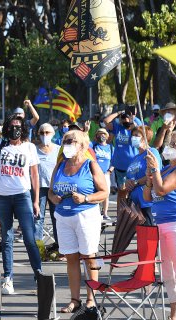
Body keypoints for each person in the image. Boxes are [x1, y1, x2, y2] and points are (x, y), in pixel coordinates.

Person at [0, 101, 41, 295]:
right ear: (6, 129)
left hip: (22, 196)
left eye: (18, 127)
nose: (15, 130)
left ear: (23, 129)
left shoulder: (29, 148)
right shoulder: (0, 144)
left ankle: (39, 275)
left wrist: (36, 200)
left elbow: (35, 175)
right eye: (12, 127)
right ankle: (8, 278)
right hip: (2, 198)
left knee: (29, 238)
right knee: (7, 239)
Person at [48, 130, 108, 313]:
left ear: (82, 145)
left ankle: (91, 298)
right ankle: (75, 299)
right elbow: (50, 191)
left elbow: (104, 192)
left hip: (85, 215)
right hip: (63, 217)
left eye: (71, 141)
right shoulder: (60, 165)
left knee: (89, 257)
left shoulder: (90, 165)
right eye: (65, 140)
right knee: (71, 258)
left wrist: (86, 198)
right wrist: (53, 198)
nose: (67, 144)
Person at [144, 130, 176, 320]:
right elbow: (148, 196)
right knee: (168, 272)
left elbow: (162, 188)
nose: (170, 146)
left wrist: (154, 172)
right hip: (161, 223)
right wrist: (149, 179)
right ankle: (175, 313)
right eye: (169, 143)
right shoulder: (165, 168)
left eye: (175, 144)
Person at [125, 125, 161, 226]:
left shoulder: (152, 152)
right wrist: (127, 182)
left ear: (145, 137)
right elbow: (129, 176)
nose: (133, 138)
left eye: (136, 135)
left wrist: (136, 182)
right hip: (135, 203)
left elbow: (155, 173)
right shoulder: (135, 157)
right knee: (141, 235)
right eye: (132, 135)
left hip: (147, 201)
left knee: (149, 233)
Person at [103, 105, 143, 190]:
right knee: (122, 190)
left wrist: (132, 120)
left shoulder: (136, 122)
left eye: (127, 117)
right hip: (119, 166)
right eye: (123, 118)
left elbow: (140, 132)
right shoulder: (118, 126)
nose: (125, 120)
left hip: (133, 165)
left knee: (132, 190)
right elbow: (106, 121)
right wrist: (119, 113)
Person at [35, 123, 60, 249]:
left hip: (55, 188)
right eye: (42, 133)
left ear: (53, 134)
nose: (45, 135)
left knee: (57, 217)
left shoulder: (58, 149)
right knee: (38, 218)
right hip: (39, 188)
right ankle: (38, 249)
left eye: (47, 132)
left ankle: (60, 246)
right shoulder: (34, 150)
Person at [93, 128, 114, 220]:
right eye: (100, 134)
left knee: (106, 193)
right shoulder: (94, 146)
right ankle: (97, 213)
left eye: (104, 134)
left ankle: (105, 213)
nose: (102, 136)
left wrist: (110, 171)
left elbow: (114, 160)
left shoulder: (110, 147)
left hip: (106, 174)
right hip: (95, 173)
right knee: (96, 193)